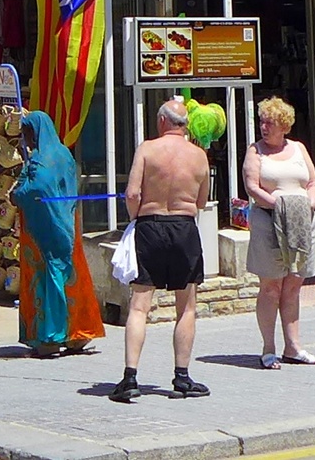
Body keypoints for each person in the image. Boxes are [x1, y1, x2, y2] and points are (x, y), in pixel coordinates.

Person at [113, 97, 212, 404]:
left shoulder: (147, 149)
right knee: (187, 307)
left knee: (140, 305)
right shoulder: (199, 156)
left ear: (161, 122)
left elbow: (132, 193)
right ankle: (182, 377)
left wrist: (136, 219)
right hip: (184, 228)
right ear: (184, 126)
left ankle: (130, 377)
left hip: (150, 225)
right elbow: (201, 202)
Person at [11, 111, 98, 357]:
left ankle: (50, 338)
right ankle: (76, 334)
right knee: (71, 276)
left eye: (26, 133)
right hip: (68, 224)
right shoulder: (64, 154)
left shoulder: (40, 159)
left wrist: (17, 194)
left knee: (48, 279)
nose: (25, 139)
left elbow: (37, 186)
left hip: (45, 230)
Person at [243, 96, 315, 369]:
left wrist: (308, 204)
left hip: (301, 223)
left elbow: (312, 182)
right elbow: (252, 186)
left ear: (284, 126)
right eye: (262, 122)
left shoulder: (298, 148)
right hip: (269, 222)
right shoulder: (256, 151)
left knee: (293, 284)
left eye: (270, 123)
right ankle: (268, 348)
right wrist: (280, 205)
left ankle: (293, 346)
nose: (264, 127)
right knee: (271, 287)